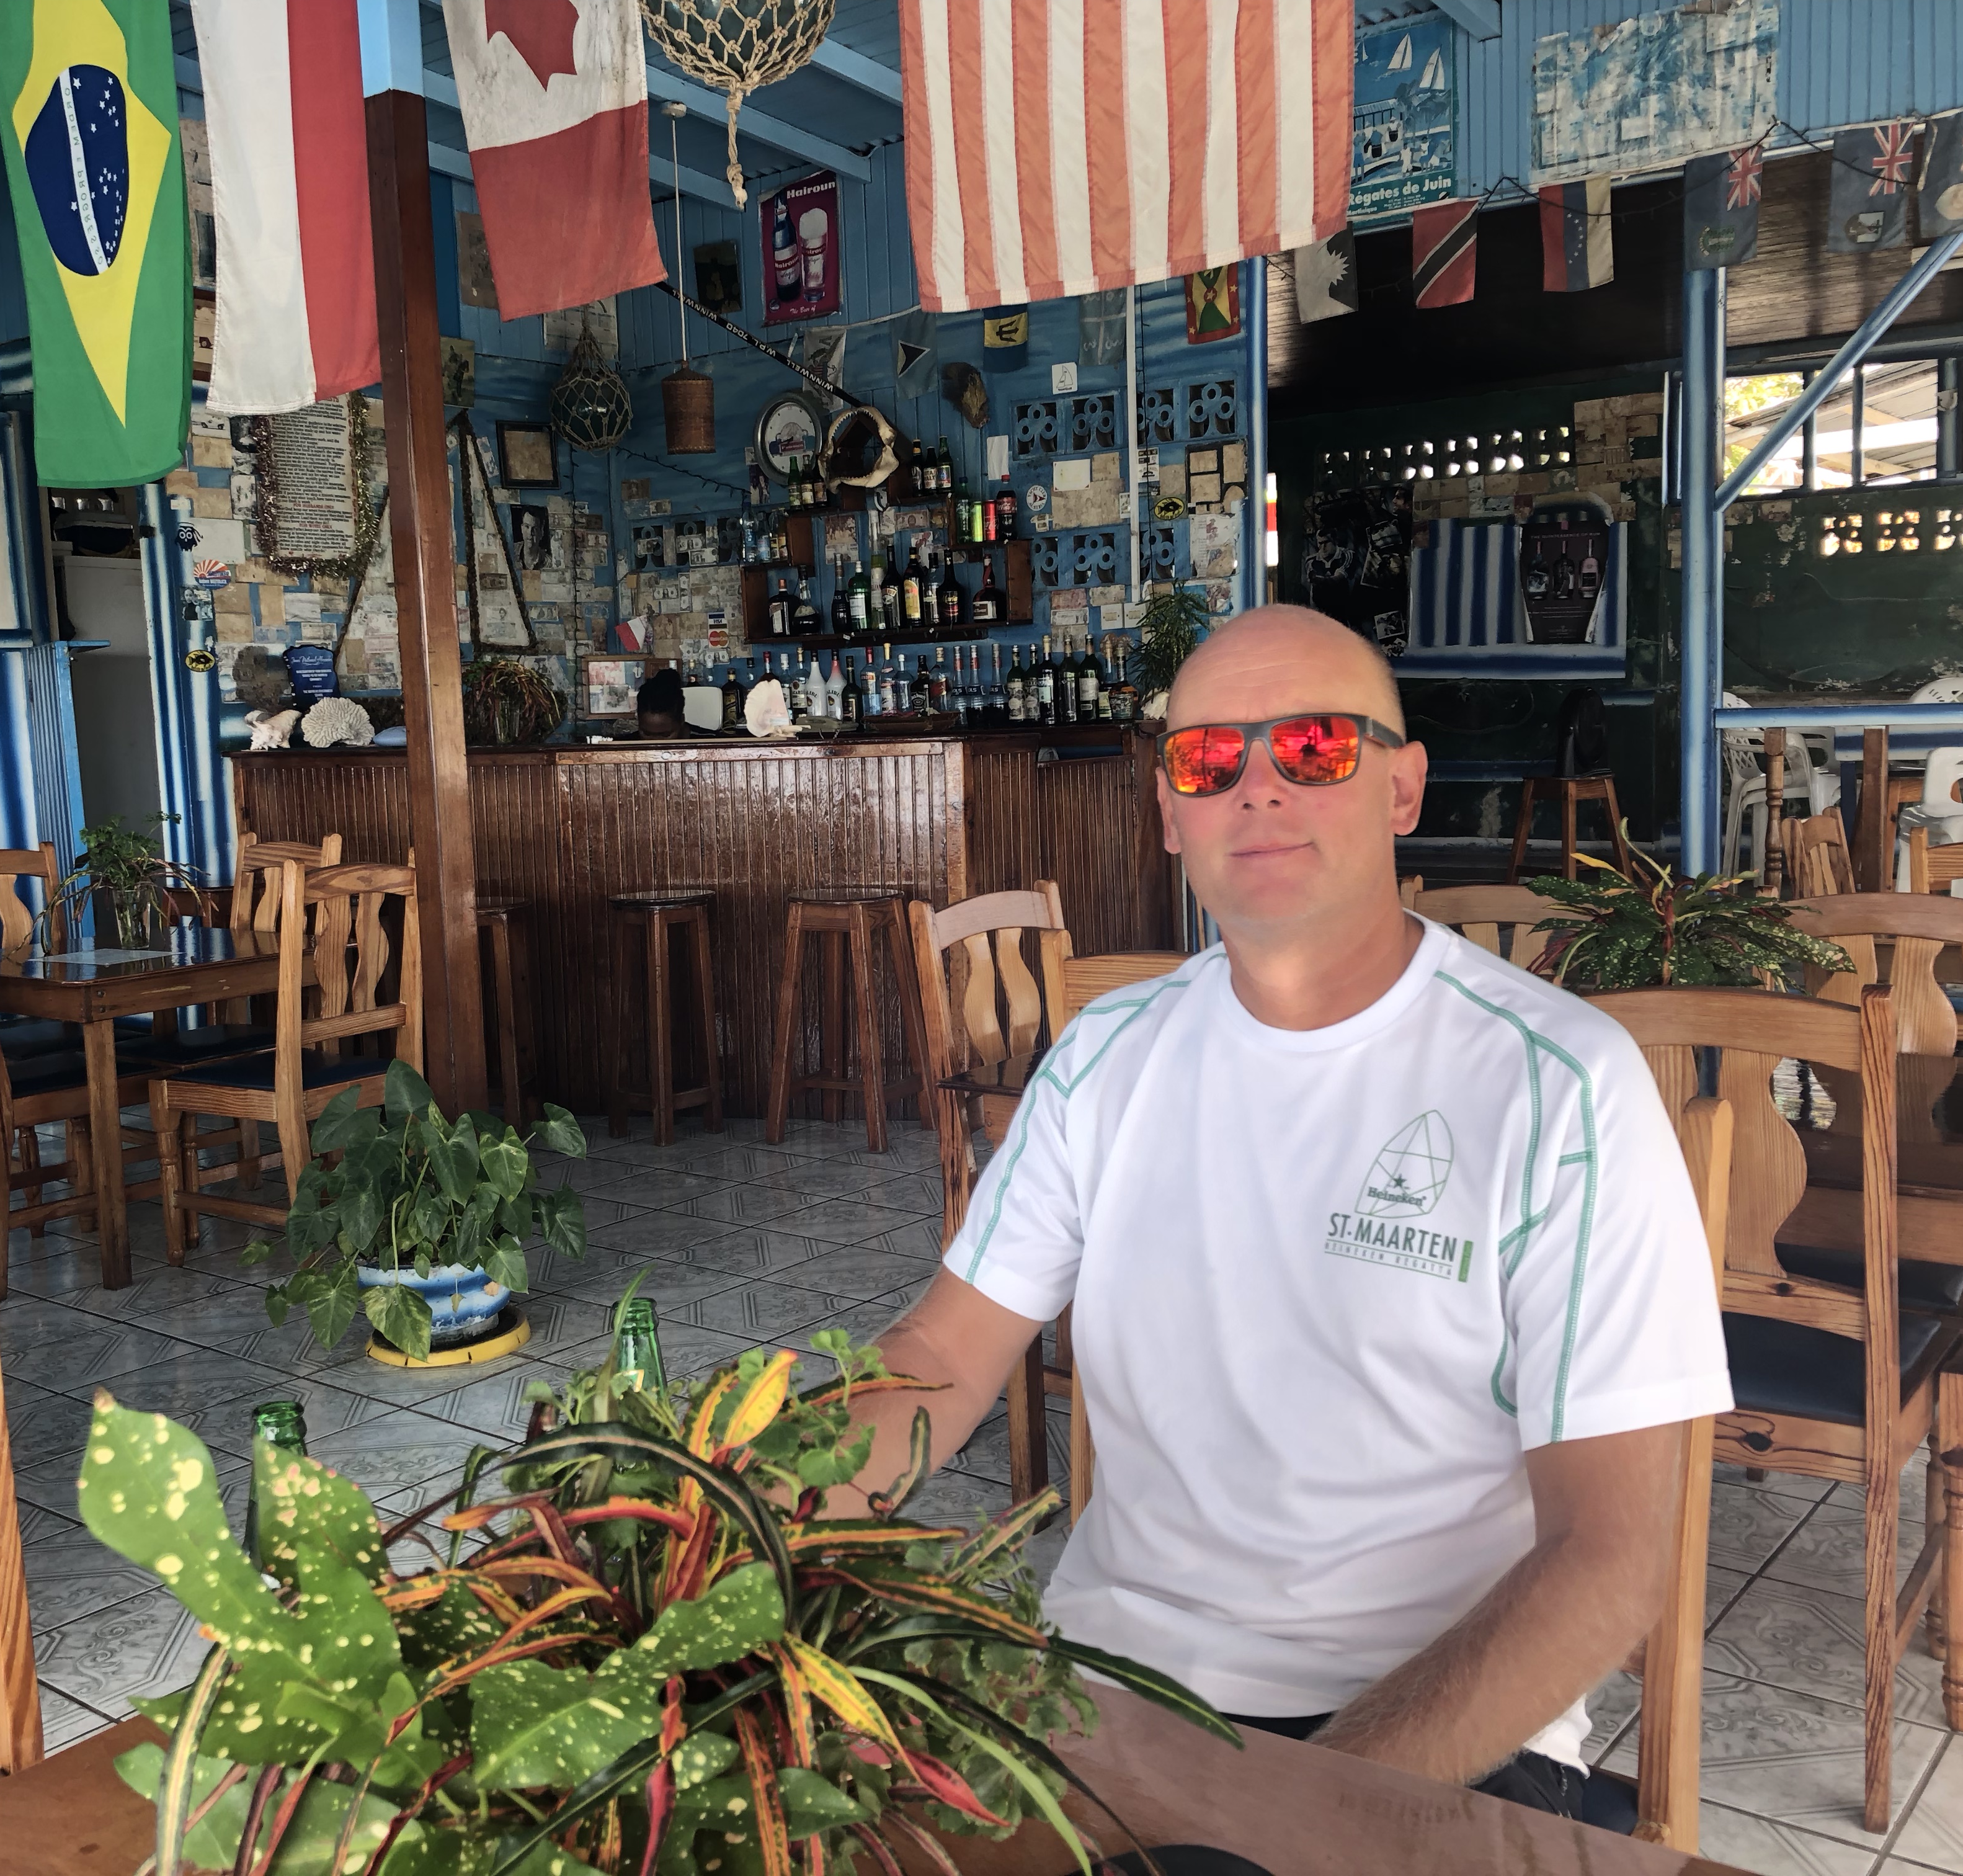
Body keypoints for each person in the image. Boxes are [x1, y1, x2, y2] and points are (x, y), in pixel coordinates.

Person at [844, 605, 1732, 1820]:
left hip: (1444, 1726)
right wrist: (723, 1516)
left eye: (1315, 747)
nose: (1256, 786)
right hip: (1113, 1691)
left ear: (1402, 788)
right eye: (1208, 758)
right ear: (1170, 813)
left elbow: (1611, 1554)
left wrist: (1311, 1804)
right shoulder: (1106, 1057)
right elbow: (940, 1360)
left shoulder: (1558, 1083)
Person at [634, 668, 706, 740]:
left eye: (666, 735)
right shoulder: (628, 743)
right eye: (647, 734)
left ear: (682, 720)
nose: (656, 742)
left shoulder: (709, 741)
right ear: (638, 721)